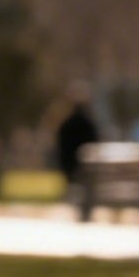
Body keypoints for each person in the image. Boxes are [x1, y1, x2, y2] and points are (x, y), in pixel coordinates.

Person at [53, 85, 101, 222]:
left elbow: (61, 149)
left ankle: (80, 211)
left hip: (71, 168)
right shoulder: (89, 125)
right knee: (88, 182)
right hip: (88, 171)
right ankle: (85, 212)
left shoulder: (66, 125)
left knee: (79, 182)